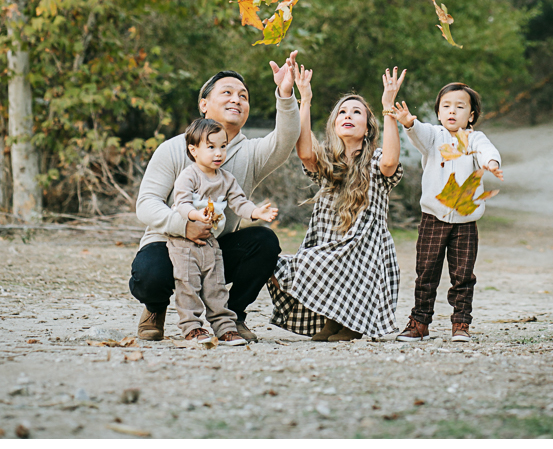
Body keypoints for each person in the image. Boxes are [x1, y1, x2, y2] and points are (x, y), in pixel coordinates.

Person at [129, 53, 301, 342]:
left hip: (217, 249)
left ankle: (231, 319)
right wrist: (184, 226)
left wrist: (285, 94)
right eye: (227, 93)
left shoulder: (252, 153)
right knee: (150, 275)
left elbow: (286, 140)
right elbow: (146, 204)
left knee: (264, 241)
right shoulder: (174, 149)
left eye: (243, 96)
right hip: (169, 242)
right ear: (204, 104)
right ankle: (155, 309)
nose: (237, 99)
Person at [268, 65, 405, 342]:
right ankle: (333, 321)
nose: (348, 115)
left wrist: (388, 107)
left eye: (357, 113)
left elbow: (391, 162)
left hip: (365, 247)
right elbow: (305, 152)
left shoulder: (376, 161)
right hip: (330, 240)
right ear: (333, 125)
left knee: (347, 263)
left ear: (368, 128)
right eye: (342, 112)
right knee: (289, 266)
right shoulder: (329, 160)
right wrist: (304, 99)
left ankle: (352, 325)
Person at [392, 81, 503, 344]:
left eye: (460, 107)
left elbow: (487, 151)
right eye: (446, 106)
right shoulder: (433, 136)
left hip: (465, 221)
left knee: (463, 275)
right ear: (439, 113)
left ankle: (461, 324)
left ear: (471, 115)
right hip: (433, 218)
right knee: (426, 271)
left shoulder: (475, 139)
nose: (452, 111)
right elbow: (418, 133)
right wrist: (409, 123)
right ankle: (419, 323)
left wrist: (492, 163)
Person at [167, 116, 279, 346]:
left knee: (215, 285)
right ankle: (192, 328)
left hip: (211, 242)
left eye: (222, 146)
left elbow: (240, 202)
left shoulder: (226, 179)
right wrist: (196, 216)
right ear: (194, 150)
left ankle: (225, 328)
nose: (218, 153)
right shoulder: (189, 175)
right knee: (188, 284)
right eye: (211, 147)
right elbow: (182, 202)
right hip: (184, 243)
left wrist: (256, 212)